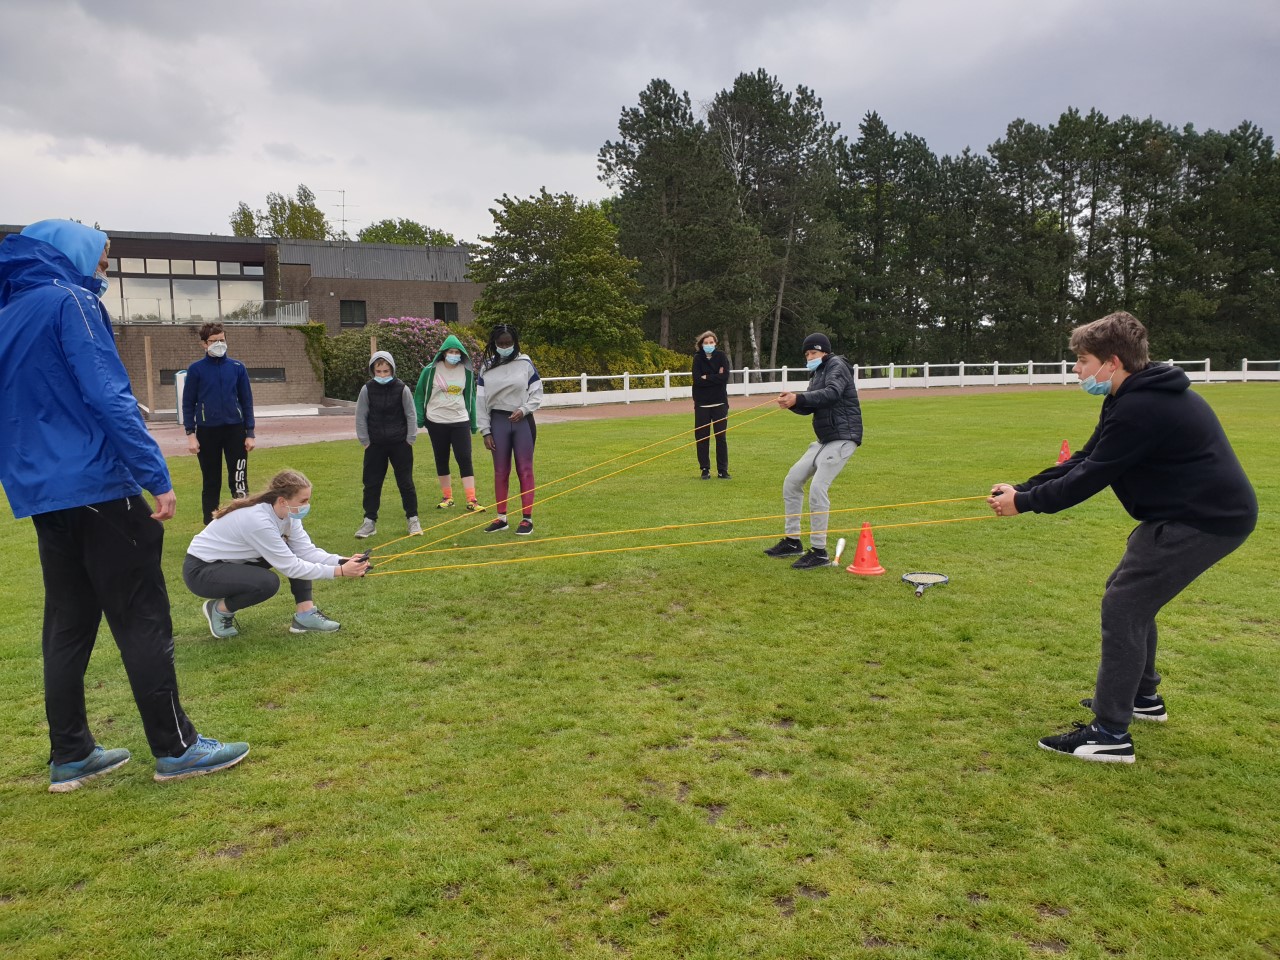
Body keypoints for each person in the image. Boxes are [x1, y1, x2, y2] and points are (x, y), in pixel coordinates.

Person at [0, 219, 248, 792]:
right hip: (98, 486)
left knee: (67, 623)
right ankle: (176, 747)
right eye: (104, 260)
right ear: (77, 254)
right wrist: (153, 474)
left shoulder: (11, 313)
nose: (104, 272)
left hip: (47, 496)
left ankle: (70, 753)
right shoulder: (71, 302)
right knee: (141, 614)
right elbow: (108, 393)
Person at [988, 311, 1256, 764]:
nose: (1077, 369)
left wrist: (1026, 504)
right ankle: (1142, 698)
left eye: (1083, 360)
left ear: (1112, 362)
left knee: (1124, 605)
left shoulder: (1143, 406)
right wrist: (1025, 487)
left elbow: (1093, 475)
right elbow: (1088, 456)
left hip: (1206, 519)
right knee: (1129, 597)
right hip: (1181, 514)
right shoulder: (1126, 396)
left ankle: (1110, 734)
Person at [184, 469, 371, 638]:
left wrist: (341, 561)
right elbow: (292, 567)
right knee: (267, 583)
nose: (307, 505)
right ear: (282, 500)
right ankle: (219, 609)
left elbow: (305, 551)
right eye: (303, 501)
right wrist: (341, 571)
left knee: (291, 550)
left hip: (234, 562)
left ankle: (305, 616)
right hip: (201, 571)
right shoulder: (258, 520)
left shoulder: (288, 514)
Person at [766, 333, 863, 570]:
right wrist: (792, 403)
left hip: (843, 438)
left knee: (818, 489)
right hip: (823, 440)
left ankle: (819, 551)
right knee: (792, 481)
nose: (810, 357)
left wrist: (798, 397)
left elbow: (832, 394)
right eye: (807, 354)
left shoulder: (837, 366)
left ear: (825, 352)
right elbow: (811, 406)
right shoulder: (818, 372)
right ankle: (792, 542)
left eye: (814, 353)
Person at [182, 321, 256, 524]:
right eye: (214, 341)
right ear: (204, 344)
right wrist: (191, 435)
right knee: (211, 482)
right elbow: (188, 403)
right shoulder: (196, 370)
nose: (219, 344)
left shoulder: (237, 367)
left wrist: (250, 433)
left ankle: (244, 525)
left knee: (239, 480)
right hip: (207, 432)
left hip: (235, 430)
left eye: (222, 340)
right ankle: (211, 528)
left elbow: (246, 400)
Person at [476, 323, 542, 535]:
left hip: (522, 421)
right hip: (498, 422)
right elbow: (480, 400)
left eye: (508, 343)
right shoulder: (486, 366)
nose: (505, 346)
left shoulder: (525, 363)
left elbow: (537, 392)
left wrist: (524, 410)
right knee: (500, 471)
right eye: (500, 344)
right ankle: (501, 518)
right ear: (494, 344)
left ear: (515, 343)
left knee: (525, 470)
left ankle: (526, 519)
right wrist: (485, 431)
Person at [414, 334, 486, 513]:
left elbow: (470, 397)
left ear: (462, 354)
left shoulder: (467, 372)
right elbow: (420, 394)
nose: (454, 355)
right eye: (451, 352)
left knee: (464, 458)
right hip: (436, 421)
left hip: (460, 420)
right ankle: (447, 497)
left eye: (457, 352)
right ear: (443, 353)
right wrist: (420, 418)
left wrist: (474, 422)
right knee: (441, 458)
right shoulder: (430, 370)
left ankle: (472, 500)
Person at [353, 351, 421, 538]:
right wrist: (365, 441)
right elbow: (361, 415)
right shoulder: (367, 389)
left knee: (406, 483)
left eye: (386, 371)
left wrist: (410, 439)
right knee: (371, 484)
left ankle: (413, 520)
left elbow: (410, 414)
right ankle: (369, 522)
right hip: (375, 445)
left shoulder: (402, 388)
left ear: (392, 369)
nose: (382, 375)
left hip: (400, 444)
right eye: (378, 371)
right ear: (373, 371)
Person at [692, 330, 730, 480]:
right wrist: (716, 376)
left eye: (711, 342)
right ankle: (705, 469)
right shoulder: (697, 358)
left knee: (721, 437)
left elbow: (725, 377)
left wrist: (707, 376)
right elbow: (697, 380)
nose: (709, 345)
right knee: (702, 437)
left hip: (720, 403)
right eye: (706, 343)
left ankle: (722, 470)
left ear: (715, 343)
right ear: (701, 344)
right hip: (702, 404)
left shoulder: (721, 356)